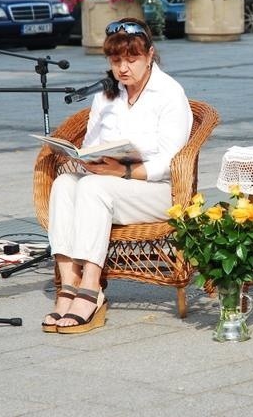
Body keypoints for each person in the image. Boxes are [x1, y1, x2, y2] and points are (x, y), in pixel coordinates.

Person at [42, 17, 193, 334]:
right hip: (110, 184)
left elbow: (172, 161)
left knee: (94, 190)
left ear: (150, 54)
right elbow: (93, 144)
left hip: (160, 191)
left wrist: (123, 170)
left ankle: (91, 289)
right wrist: (82, 159)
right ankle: (68, 286)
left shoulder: (169, 94)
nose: (123, 68)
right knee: (65, 183)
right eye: (116, 60)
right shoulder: (107, 95)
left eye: (132, 59)